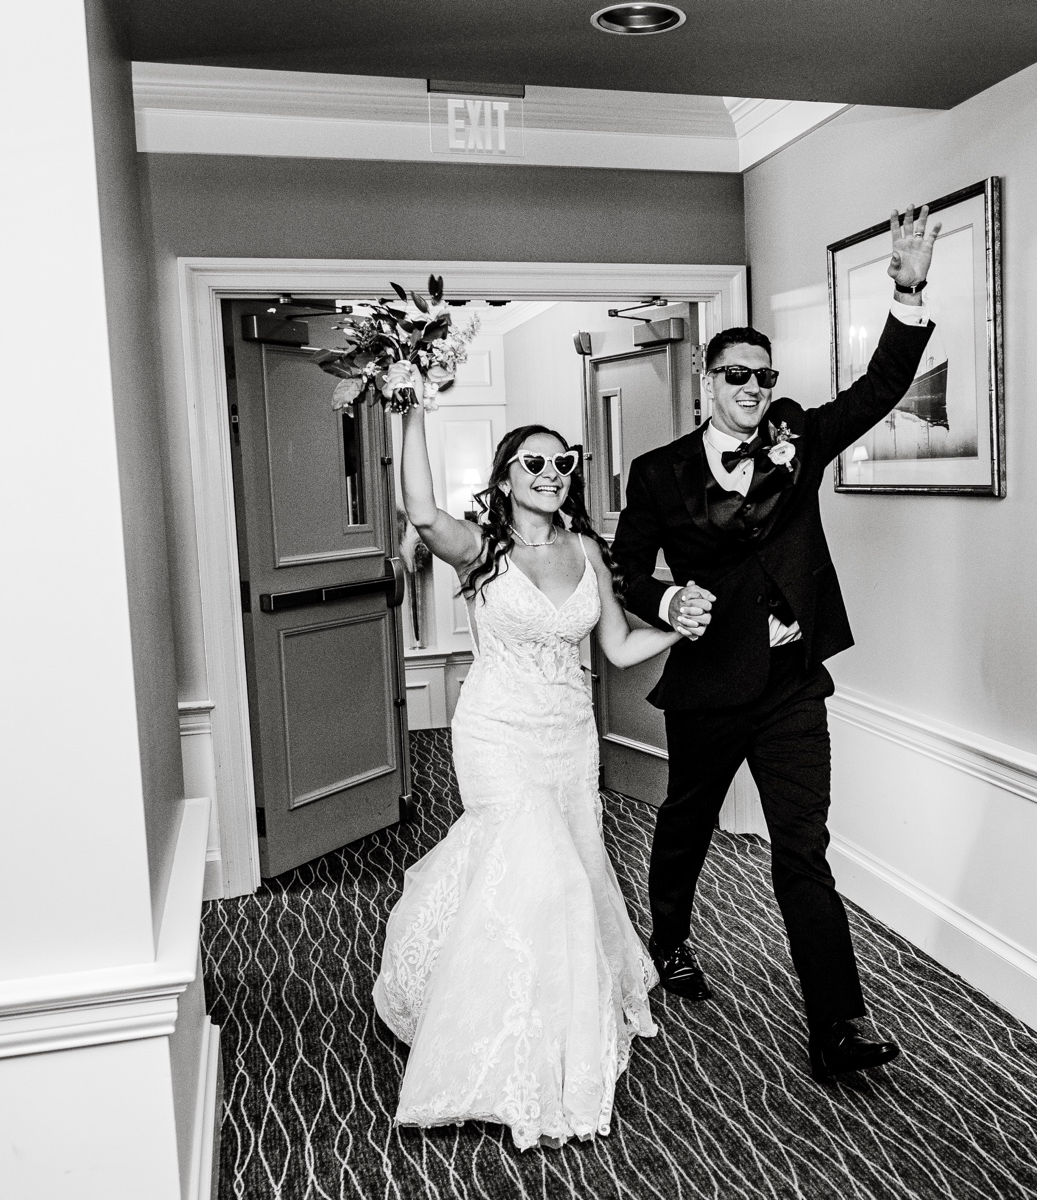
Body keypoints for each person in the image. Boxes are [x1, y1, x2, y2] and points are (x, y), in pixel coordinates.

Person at [611, 206, 941, 1082]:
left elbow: (877, 390)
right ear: (704, 382)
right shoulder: (658, 472)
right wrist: (665, 595)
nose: (753, 387)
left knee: (803, 850)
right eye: (736, 375)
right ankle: (671, 939)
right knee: (686, 821)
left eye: (763, 374)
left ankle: (839, 1023)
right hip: (711, 687)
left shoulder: (800, 438)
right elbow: (623, 568)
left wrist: (906, 291)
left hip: (794, 685)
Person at [373, 412, 708, 1150]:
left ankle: (555, 1004)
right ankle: (495, 1034)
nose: (551, 475)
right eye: (533, 464)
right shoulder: (478, 548)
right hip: (497, 733)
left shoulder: (587, 547)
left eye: (563, 464)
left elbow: (617, 647)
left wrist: (678, 631)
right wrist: (416, 403)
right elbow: (421, 510)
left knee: (572, 866)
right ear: (504, 479)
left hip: (569, 736)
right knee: (538, 874)